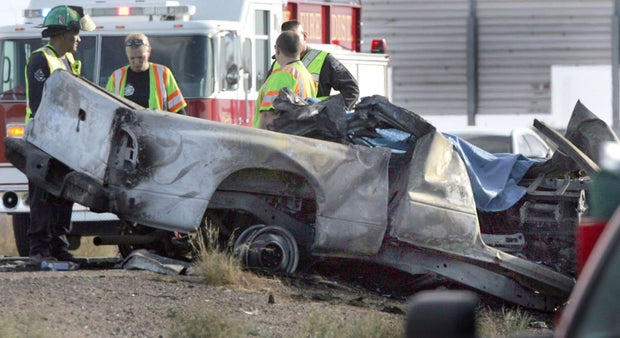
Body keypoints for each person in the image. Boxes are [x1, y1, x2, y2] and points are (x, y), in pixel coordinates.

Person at [25, 5, 96, 266]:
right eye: (76, 33)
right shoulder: (40, 59)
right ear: (64, 33)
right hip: (43, 141)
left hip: (65, 142)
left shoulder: (67, 61)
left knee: (63, 196)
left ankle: (58, 246)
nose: (79, 39)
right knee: (43, 196)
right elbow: (39, 104)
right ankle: (40, 248)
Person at [266, 20, 359, 110]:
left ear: (305, 36)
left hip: (313, 123)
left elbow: (352, 91)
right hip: (281, 123)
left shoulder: (323, 60)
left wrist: (330, 112)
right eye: (286, 39)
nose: (291, 42)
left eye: (294, 38)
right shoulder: (276, 64)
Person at [106, 33, 187, 114]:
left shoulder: (163, 73)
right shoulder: (116, 77)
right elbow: (107, 109)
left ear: (149, 52)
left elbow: (179, 110)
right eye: (132, 58)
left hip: (155, 125)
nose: (136, 62)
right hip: (126, 126)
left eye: (141, 57)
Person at [253, 31, 317, 129]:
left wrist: (256, 142)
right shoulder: (307, 75)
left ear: (277, 50)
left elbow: (268, 116)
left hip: (276, 141)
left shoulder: (282, 75)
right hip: (299, 137)